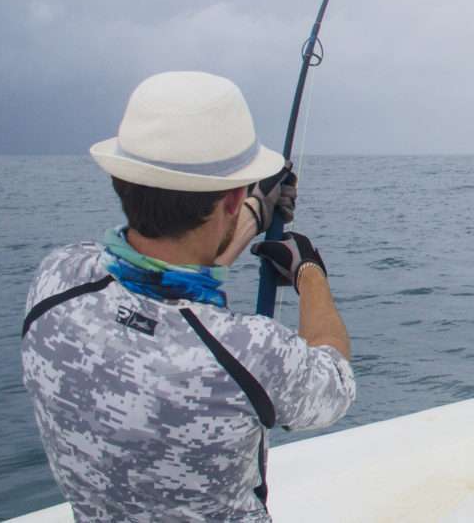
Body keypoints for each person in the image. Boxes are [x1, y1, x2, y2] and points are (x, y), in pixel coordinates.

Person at [20, 71, 355, 522]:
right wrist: (309, 270)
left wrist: (252, 213)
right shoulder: (254, 353)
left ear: (121, 179)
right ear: (231, 200)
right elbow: (335, 382)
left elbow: (160, 276)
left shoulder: (56, 280)